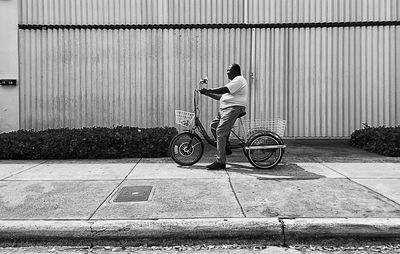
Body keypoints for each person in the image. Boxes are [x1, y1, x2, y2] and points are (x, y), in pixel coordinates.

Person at [199, 64, 248, 170]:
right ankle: (225, 147)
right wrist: (207, 93)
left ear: (236, 71)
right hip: (225, 110)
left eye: (229, 70)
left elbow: (224, 89)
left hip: (232, 109)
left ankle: (220, 162)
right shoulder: (234, 84)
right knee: (214, 126)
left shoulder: (239, 79)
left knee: (220, 131)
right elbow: (222, 96)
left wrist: (210, 89)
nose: (227, 72)